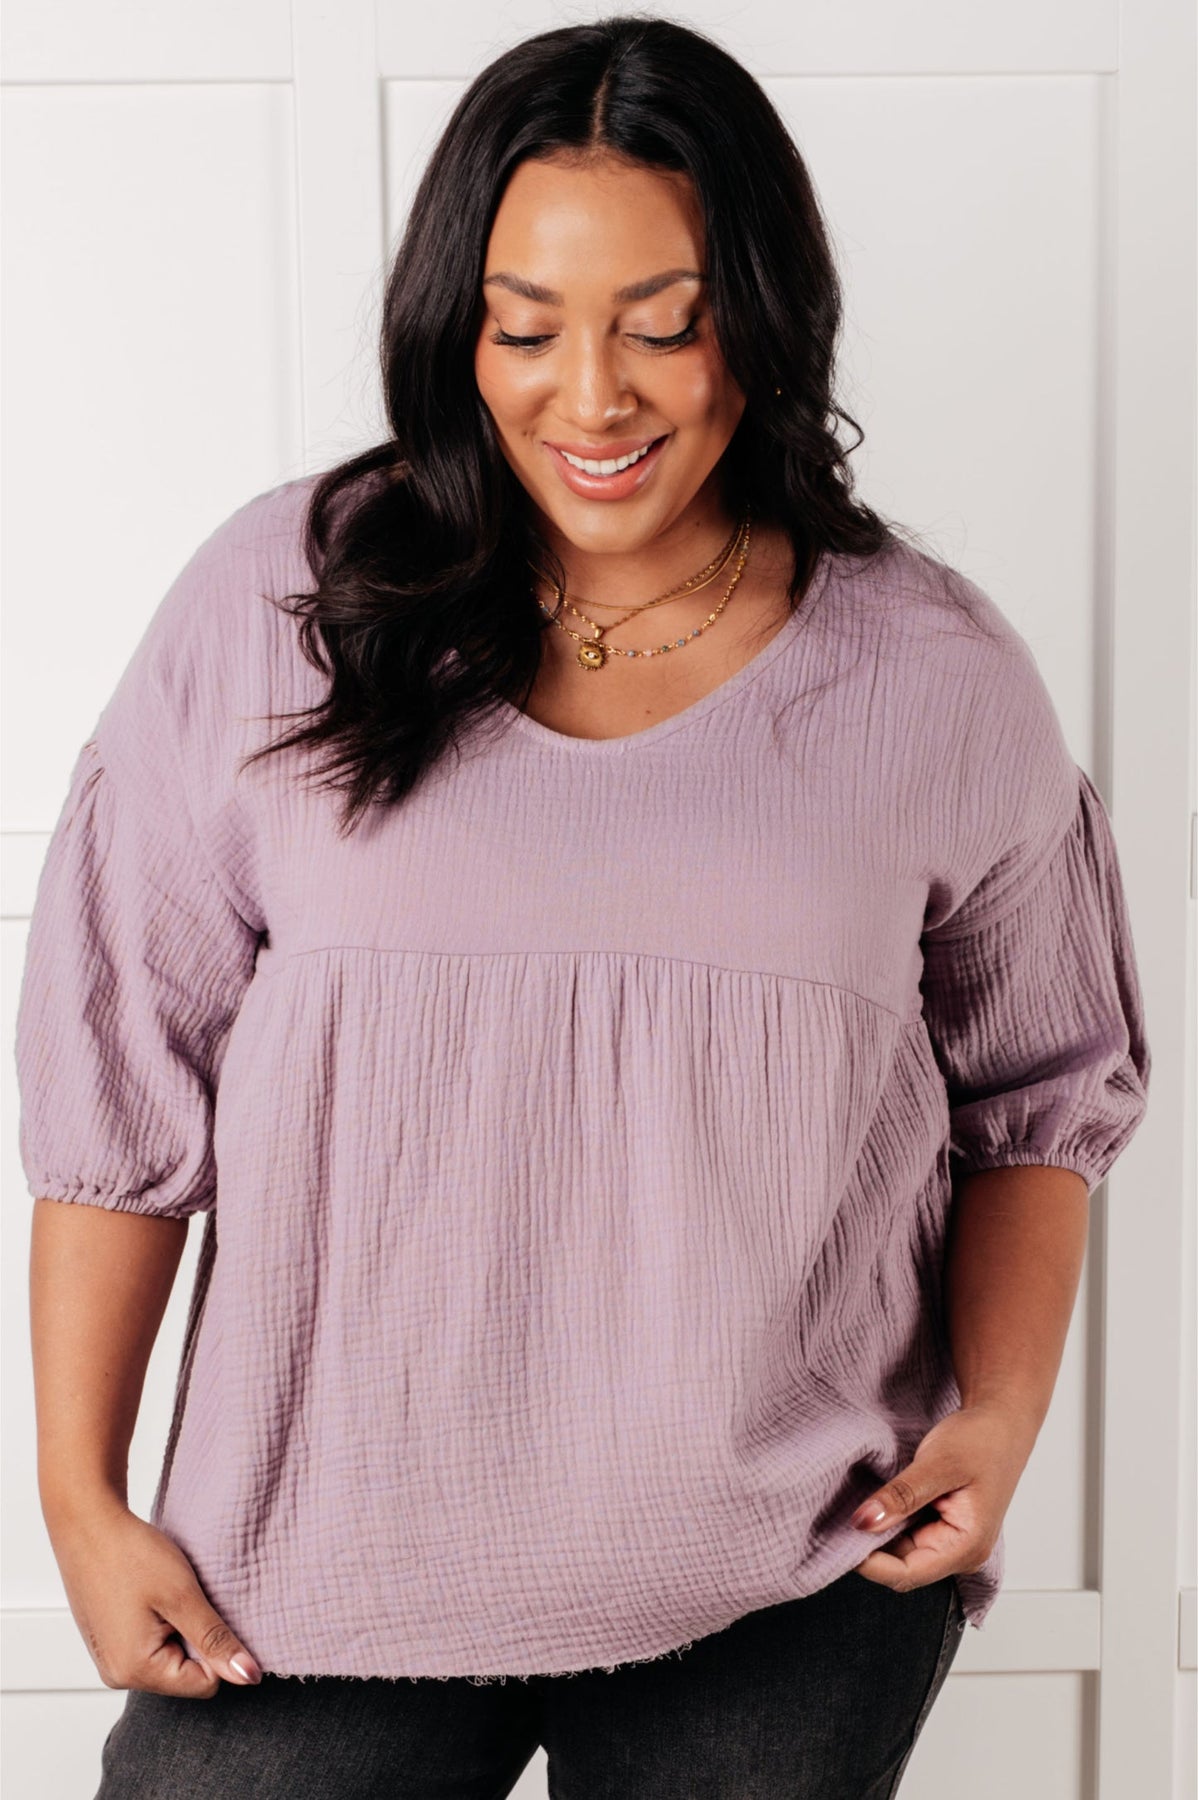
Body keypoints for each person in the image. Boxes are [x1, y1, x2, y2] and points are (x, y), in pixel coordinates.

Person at [16, 14, 1151, 1798]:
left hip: (790, 1568)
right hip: (314, 1566)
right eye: (526, 325)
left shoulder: (935, 673)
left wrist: (1001, 1420)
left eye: (662, 323)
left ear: (758, 318)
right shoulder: (278, 603)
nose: (592, 396)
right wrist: (80, 1501)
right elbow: (119, 1090)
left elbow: (1042, 1097)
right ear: (454, 329)